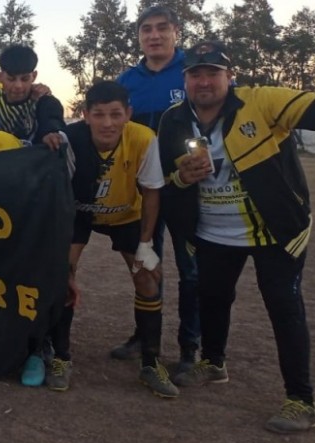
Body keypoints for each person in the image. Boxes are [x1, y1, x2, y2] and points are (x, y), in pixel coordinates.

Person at [160, 40, 315, 433]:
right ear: (184, 79)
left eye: (213, 72)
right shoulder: (173, 120)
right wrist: (183, 177)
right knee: (213, 299)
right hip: (213, 232)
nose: (204, 81)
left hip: (275, 232)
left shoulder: (260, 101)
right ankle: (214, 363)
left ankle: (301, 400)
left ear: (229, 77)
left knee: (284, 309)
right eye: (195, 73)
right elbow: (164, 178)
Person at [40, 81, 174, 398]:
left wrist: (146, 245)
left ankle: (151, 362)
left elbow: (152, 192)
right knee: (62, 279)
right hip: (79, 214)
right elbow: (57, 192)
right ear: (85, 115)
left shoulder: (143, 138)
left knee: (146, 278)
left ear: (128, 113)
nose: (107, 123)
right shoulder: (69, 140)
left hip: (127, 214)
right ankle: (60, 357)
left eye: (116, 114)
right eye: (98, 115)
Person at [115, 5, 200, 373]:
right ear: (139, 37)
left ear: (176, 33)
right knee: (145, 264)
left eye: (161, 28)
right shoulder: (127, 80)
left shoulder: (193, 72)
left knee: (191, 269)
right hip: (142, 192)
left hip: (186, 189)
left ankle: (189, 347)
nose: (153, 35)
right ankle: (144, 336)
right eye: (146, 29)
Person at [0, 45, 64, 146]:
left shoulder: (45, 101)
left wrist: (51, 134)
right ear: (0, 76)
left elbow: (52, 122)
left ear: (34, 76)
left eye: (25, 79)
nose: (18, 86)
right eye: (11, 79)